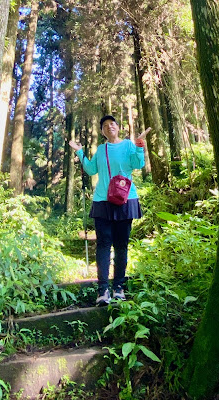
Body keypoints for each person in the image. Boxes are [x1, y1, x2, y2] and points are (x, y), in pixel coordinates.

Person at [69, 115, 151, 306]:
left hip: (125, 199)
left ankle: (119, 288)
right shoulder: (101, 149)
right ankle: (103, 289)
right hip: (102, 201)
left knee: (121, 245)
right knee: (104, 244)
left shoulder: (129, 145)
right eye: (105, 126)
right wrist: (80, 152)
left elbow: (138, 164)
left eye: (112, 124)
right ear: (102, 132)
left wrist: (139, 145)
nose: (109, 127)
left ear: (118, 127)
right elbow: (90, 170)